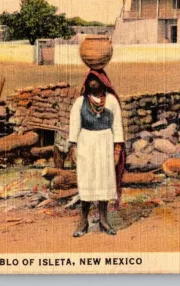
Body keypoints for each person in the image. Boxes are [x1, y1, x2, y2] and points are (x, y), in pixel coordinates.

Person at [68, 69, 125, 237]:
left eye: (96, 79)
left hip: (105, 144)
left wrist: (117, 150)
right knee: (87, 180)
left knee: (104, 180)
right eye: (90, 79)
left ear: (103, 81)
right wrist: (73, 147)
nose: (93, 82)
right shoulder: (80, 102)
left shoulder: (112, 101)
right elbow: (74, 125)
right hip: (86, 144)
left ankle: (104, 220)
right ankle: (83, 221)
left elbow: (117, 126)